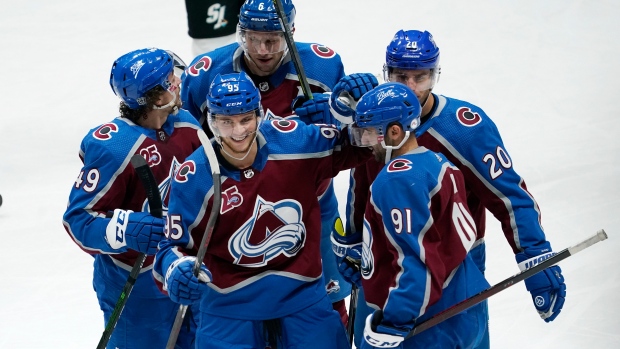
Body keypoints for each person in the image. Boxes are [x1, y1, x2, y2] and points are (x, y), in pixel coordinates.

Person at [331, 29, 567, 348]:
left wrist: (536, 256)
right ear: (387, 73)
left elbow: (512, 198)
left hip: (453, 267)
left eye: (422, 77)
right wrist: (355, 240)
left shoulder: (465, 128)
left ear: (435, 74)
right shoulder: (377, 117)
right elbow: (361, 178)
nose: (412, 88)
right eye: (401, 77)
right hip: (384, 258)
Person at [152, 72, 371, 348]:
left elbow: (363, 144)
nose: (238, 132)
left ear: (259, 115)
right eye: (226, 122)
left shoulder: (296, 142)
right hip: (229, 303)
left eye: (245, 119)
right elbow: (169, 245)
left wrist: (359, 106)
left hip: (301, 292)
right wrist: (176, 268)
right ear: (212, 122)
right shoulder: (194, 176)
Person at [181, 0, 358, 322]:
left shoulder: (321, 66)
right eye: (251, 38)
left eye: (273, 40)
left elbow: (349, 140)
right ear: (239, 34)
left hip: (314, 202)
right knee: (233, 307)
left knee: (330, 304)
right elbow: (189, 144)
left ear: (291, 32)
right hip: (235, 210)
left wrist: (339, 115)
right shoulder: (205, 73)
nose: (262, 49)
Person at [62, 48, 203, 349]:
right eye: (169, 80)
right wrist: (122, 229)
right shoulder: (115, 148)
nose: (177, 82)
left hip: (186, 267)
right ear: (154, 97)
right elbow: (78, 218)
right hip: (135, 281)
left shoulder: (188, 124)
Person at [338, 82, 490, 348]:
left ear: (394, 132)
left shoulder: (396, 180)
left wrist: (392, 324)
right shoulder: (437, 162)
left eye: (369, 133)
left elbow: (416, 261)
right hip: (467, 305)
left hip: (429, 323)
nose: (365, 143)